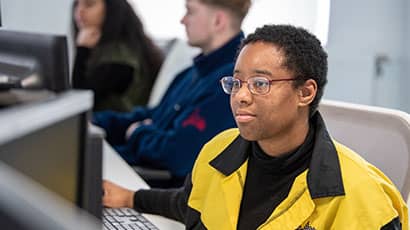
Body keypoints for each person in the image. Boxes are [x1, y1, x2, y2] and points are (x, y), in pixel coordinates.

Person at [102, 24, 408, 229]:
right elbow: (188, 204)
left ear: (306, 92)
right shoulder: (217, 151)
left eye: (260, 83)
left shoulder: (362, 198)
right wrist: (131, 198)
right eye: (236, 82)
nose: (241, 96)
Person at [94, 0, 251, 187]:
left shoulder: (229, 84)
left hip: (157, 191)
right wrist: (93, 121)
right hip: (136, 170)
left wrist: (138, 132)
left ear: (218, 21)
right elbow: (153, 116)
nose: (182, 20)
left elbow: (178, 155)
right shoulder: (191, 73)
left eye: (190, 12)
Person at [72, 0, 163, 112]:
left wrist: (82, 51)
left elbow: (80, 101)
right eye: (77, 4)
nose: (80, 11)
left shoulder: (120, 59)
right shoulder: (111, 48)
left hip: (114, 126)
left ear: (111, 9)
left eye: (89, 4)